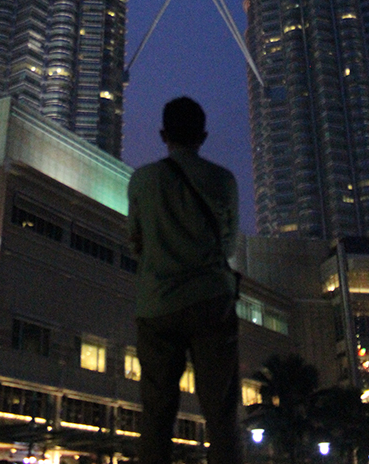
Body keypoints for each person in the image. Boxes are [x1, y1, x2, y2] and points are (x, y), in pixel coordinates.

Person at [128, 97, 242, 464]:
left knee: (156, 415)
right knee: (222, 413)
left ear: (163, 134)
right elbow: (228, 245)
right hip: (211, 302)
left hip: (157, 303)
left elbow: (136, 242)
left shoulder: (142, 180)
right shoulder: (223, 180)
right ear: (203, 136)